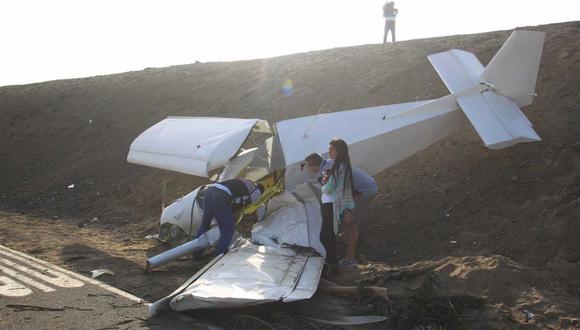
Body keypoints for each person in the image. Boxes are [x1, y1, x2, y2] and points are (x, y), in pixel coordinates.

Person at [304, 152, 378, 268]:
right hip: (365, 183)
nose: (308, 169)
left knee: (352, 223)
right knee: (346, 217)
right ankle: (344, 237)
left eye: (308, 166)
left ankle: (350, 258)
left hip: (365, 191)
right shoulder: (329, 162)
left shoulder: (324, 173)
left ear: (314, 165)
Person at [196, 179, 265, 256]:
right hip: (220, 196)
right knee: (228, 228)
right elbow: (252, 206)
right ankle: (219, 254)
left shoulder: (247, 183)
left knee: (205, 225)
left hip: (209, 192)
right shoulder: (256, 191)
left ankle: (197, 254)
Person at [322, 139, 357, 270]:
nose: (329, 151)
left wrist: (324, 184)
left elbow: (329, 188)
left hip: (341, 204)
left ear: (339, 151)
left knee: (331, 233)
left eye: (331, 149)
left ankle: (343, 260)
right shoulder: (344, 165)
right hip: (346, 203)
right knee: (348, 229)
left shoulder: (338, 167)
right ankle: (348, 257)